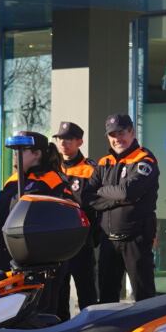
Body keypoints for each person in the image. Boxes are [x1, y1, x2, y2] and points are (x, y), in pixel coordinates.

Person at [90, 114, 160, 302]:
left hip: (136, 237)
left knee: (144, 296)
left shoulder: (145, 159)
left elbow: (128, 191)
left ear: (132, 132)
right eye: (112, 134)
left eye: (121, 133)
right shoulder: (104, 162)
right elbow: (88, 196)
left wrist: (103, 192)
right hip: (108, 239)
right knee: (106, 297)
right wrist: (120, 197)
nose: (117, 139)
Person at [0, 131, 70, 271]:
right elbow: (1, 218)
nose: (15, 155)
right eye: (14, 151)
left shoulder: (52, 181)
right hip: (6, 257)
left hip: (37, 263)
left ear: (37, 154)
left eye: (21, 150)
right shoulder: (12, 181)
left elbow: (60, 224)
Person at [53, 121, 98, 316]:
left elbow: (95, 206)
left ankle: (90, 328)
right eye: (61, 139)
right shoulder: (53, 169)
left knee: (86, 289)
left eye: (69, 139)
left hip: (81, 240)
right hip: (59, 241)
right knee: (59, 291)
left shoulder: (89, 169)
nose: (63, 143)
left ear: (79, 142)